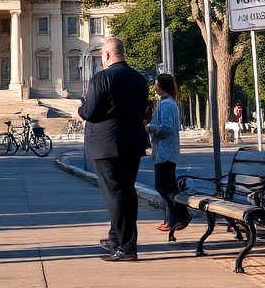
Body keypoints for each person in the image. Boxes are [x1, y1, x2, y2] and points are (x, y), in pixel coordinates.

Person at [79, 36, 149, 261]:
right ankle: (117, 238)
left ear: (107, 55)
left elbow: (90, 112)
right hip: (132, 143)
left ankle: (126, 246)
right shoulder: (139, 79)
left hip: (107, 145)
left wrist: (79, 110)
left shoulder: (102, 77)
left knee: (115, 196)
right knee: (126, 192)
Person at [146, 72, 188, 233]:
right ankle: (171, 218)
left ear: (162, 86)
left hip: (165, 152)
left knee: (165, 186)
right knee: (167, 186)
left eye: (156, 84)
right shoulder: (166, 103)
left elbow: (167, 128)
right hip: (163, 151)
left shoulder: (166, 104)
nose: (154, 86)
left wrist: (150, 128)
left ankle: (179, 216)